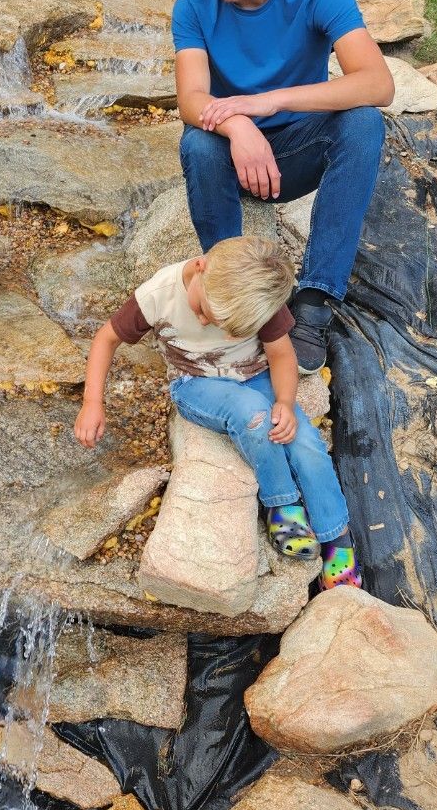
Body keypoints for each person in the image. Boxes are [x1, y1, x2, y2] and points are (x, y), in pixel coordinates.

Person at [172, 0, 394, 373]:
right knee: (197, 143)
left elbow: (378, 83)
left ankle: (314, 301)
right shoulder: (192, 4)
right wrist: (239, 127)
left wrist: (269, 102)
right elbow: (191, 98)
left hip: (297, 153)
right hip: (229, 159)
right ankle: (230, 291)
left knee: (363, 123)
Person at [74, 234, 362, 589]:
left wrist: (285, 403)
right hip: (195, 384)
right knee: (253, 415)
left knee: (304, 440)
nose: (207, 323)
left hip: (256, 376)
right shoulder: (158, 294)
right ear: (200, 268)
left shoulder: (256, 297)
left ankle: (337, 536)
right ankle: (282, 503)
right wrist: (92, 403)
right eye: (204, 313)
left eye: (226, 327)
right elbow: (106, 338)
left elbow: (281, 355)